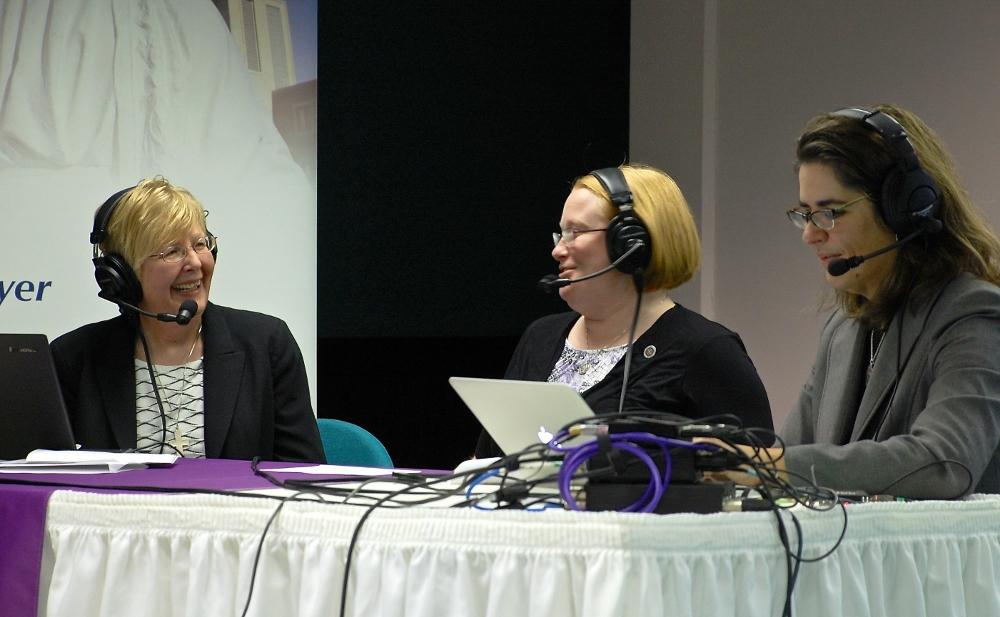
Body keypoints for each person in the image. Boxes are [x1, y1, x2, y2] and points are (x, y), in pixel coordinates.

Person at [726, 104, 1000, 500]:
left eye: (830, 212)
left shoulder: (974, 315)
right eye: (805, 214)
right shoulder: (842, 330)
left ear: (904, 209)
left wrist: (761, 465)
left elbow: (945, 463)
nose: (810, 235)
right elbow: (789, 460)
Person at [475, 164, 773, 457]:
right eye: (560, 234)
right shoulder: (540, 337)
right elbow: (485, 460)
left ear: (632, 243)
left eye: (575, 232)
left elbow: (768, 470)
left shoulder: (705, 349)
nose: (557, 250)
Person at [51, 177, 325, 463]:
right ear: (122, 273)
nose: (195, 263)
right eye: (172, 251)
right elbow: (37, 477)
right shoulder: (74, 358)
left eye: (200, 244)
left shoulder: (267, 344)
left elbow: (303, 473)